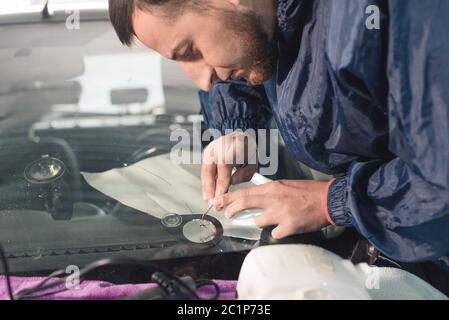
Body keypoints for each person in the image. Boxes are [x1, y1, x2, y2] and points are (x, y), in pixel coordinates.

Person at [108, 0, 449, 293]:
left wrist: (329, 202)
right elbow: (249, 42)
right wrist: (237, 130)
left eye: (190, 51)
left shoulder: (391, 16)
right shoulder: (265, 22)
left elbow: (440, 180)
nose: (201, 79)